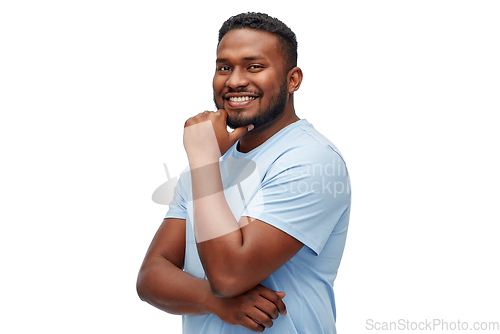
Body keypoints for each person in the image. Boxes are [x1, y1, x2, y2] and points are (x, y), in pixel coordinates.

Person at [137, 12, 351, 334]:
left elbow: (229, 275)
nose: (234, 80)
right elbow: (151, 276)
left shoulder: (313, 161)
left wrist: (204, 159)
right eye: (225, 67)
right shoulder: (204, 165)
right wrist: (214, 302)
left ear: (293, 80)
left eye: (254, 66)